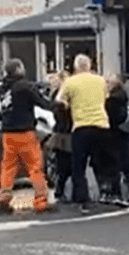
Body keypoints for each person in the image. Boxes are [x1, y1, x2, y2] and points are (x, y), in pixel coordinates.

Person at [0, 59, 52, 215]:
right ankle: (41, 201)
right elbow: (43, 103)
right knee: (35, 167)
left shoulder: (4, 88)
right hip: (25, 132)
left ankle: (4, 201)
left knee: (8, 168)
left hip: (8, 134)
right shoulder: (24, 86)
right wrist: (59, 106)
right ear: (18, 69)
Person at [58, 54, 110, 214]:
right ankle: (106, 191)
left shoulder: (70, 82)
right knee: (100, 162)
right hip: (101, 125)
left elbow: (61, 102)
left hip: (81, 126)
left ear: (75, 67)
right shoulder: (100, 81)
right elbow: (105, 99)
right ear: (89, 65)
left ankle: (83, 199)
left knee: (78, 165)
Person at [101, 73, 129, 207]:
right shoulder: (122, 96)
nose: (105, 84)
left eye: (108, 82)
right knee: (126, 165)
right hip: (123, 134)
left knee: (115, 164)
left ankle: (115, 192)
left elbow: (112, 116)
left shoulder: (113, 100)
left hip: (115, 135)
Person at [47, 71, 73, 203]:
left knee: (64, 164)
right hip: (65, 133)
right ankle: (61, 189)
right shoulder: (60, 97)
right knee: (65, 164)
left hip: (62, 133)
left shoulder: (56, 95)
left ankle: (62, 189)